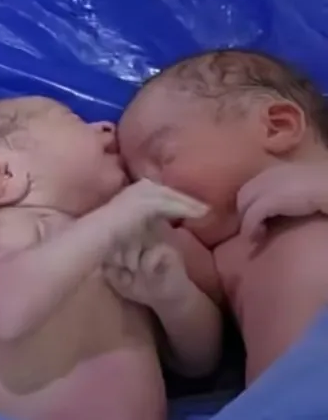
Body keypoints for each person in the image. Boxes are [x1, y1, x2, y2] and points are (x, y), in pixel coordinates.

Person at [0, 96, 222, 420]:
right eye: (73, 120)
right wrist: (114, 218)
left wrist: (174, 298)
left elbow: (198, 364)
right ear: (0, 178)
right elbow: (7, 315)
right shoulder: (12, 229)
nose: (107, 127)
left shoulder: (109, 241)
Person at [118, 48, 328, 383]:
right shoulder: (219, 256)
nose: (149, 191)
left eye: (163, 158)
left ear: (277, 127)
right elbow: (196, 356)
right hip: (294, 398)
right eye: (137, 183)